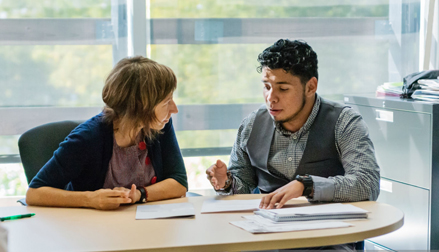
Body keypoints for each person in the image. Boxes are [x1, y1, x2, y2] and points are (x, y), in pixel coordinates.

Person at [206, 39, 380, 210]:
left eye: (283, 89)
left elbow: (367, 183)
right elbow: (242, 188)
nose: (271, 98)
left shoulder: (344, 122)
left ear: (311, 87)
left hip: (330, 232)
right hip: (269, 230)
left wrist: (307, 186)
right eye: (267, 87)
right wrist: (226, 183)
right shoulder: (251, 125)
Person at [26, 56, 187, 210]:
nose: (174, 109)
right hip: (92, 230)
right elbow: (34, 193)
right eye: (167, 102)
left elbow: (179, 182)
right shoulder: (87, 138)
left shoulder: (159, 125)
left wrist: (139, 194)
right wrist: (90, 199)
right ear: (141, 106)